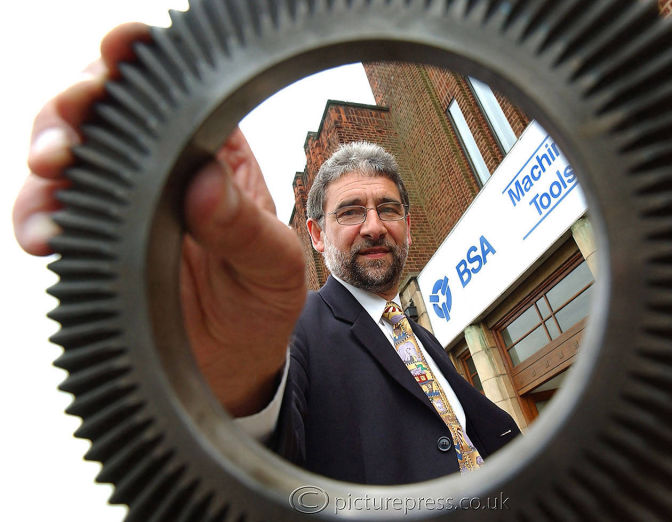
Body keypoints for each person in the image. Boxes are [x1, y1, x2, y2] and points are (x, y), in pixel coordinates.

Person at [14, 23, 519, 486]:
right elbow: (263, 459)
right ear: (316, 235)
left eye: (387, 209)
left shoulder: (421, 339)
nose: (373, 226)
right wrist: (236, 383)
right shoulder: (294, 331)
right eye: (350, 212)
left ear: (407, 224)